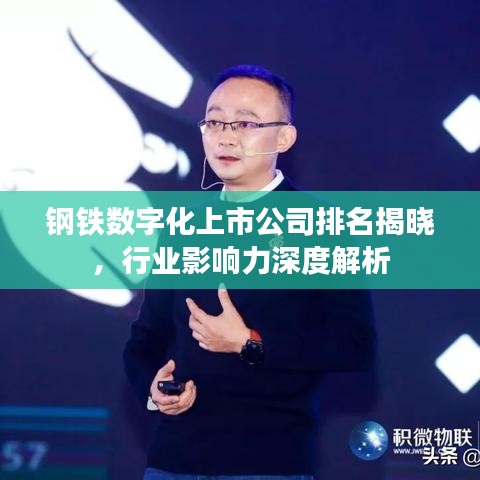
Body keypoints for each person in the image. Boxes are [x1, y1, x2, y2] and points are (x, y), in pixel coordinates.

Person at [123, 65, 376, 480]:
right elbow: (144, 340)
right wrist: (154, 390)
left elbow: (355, 347)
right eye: (214, 122)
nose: (225, 137)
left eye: (245, 123)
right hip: (173, 460)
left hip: (267, 460)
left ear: (284, 137)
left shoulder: (323, 225)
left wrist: (249, 343)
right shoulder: (184, 226)